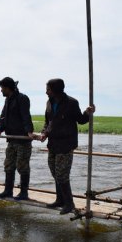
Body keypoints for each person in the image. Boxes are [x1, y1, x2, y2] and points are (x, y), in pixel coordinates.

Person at [39, 78, 95, 214]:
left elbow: (81, 120)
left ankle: (69, 203)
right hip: (52, 143)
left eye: (48, 89)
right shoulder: (49, 102)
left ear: (55, 90)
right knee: (55, 172)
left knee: (62, 174)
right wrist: (44, 133)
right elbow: (48, 122)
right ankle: (60, 199)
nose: (46, 92)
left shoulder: (71, 102)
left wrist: (87, 113)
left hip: (66, 144)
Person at [0, 77, 35, 200]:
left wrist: (29, 131)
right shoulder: (8, 100)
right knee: (9, 165)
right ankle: (8, 190)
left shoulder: (22, 98)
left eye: (2, 88)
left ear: (7, 88)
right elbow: (3, 118)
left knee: (22, 166)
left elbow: (25, 116)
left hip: (22, 139)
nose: (1, 91)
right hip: (11, 139)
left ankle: (24, 192)